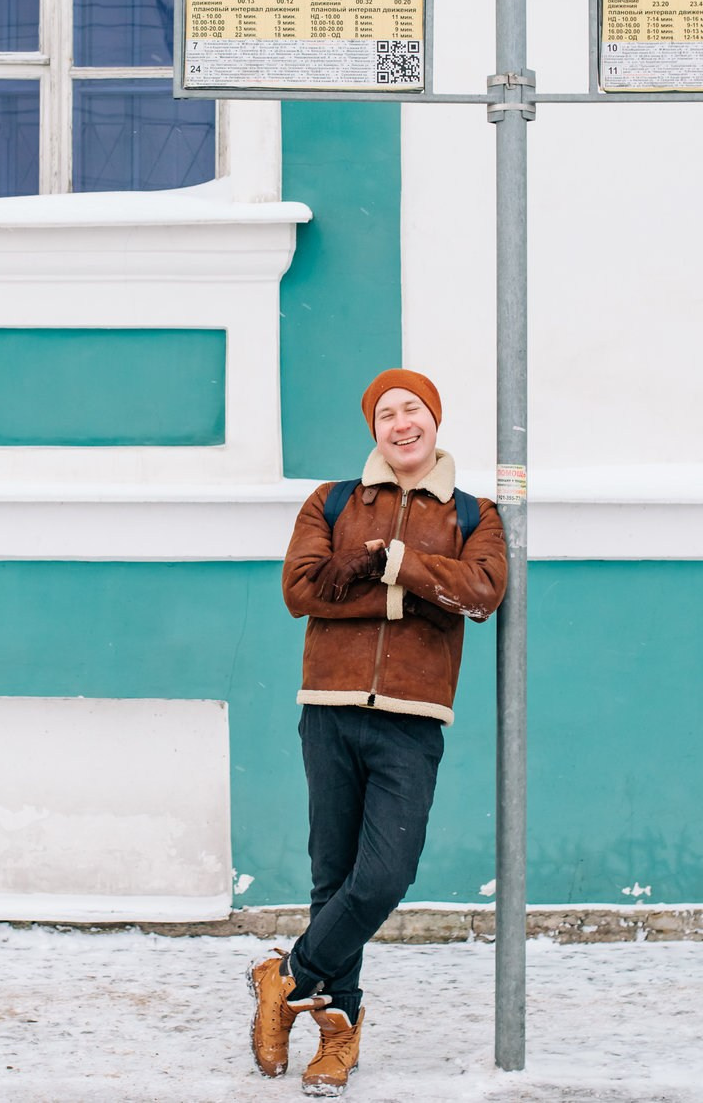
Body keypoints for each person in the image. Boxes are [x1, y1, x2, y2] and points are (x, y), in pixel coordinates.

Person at [249, 367, 508, 1096]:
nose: (402, 422)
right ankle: (338, 1032)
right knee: (332, 877)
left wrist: (389, 560)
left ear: (434, 419)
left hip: (412, 718)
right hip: (328, 707)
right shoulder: (330, 502)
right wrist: (403, 602)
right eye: (387, 412)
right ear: (374, 428)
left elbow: (481, 590)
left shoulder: (473, 513)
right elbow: (301, 590)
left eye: (413, 409)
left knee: (385, 875)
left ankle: (285, 976)